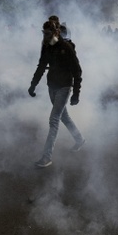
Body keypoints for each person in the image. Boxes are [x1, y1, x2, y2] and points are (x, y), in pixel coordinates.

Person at [28, 20, 85, 168]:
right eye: (43, 33)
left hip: (64, 87)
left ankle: (46, 157)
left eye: (48, 34)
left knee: (54, 120)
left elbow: (77, 71)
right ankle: (79, 139)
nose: (45, 36)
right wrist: (33, 85)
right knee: (63, 117)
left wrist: (76, 93)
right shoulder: (47, 47)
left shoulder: (66, 47)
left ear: (55, 32)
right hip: (52, 86)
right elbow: (41, 66)